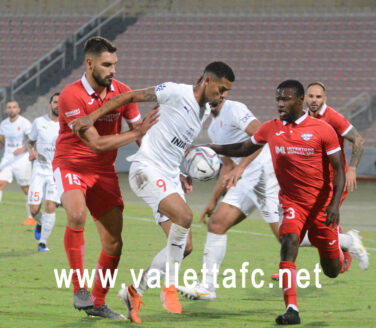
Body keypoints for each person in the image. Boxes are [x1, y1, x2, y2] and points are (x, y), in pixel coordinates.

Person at [71, 61, 235, 322]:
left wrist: (181, 173)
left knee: (185, 247)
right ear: (207, 81)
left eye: (227, 91)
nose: (223, 95)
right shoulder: (175, 91)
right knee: (185, 216)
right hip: (145, 169)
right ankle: (168, 286)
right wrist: (91, 117)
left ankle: (135, 291)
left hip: (168, 175)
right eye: (222, 89)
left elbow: (174, 142)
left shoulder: (202, 112)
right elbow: (129, 96)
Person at [200, 80, 349, 325]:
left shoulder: (322, 130)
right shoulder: (272, 128)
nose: (280, 103)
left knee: (331, 270)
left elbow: (339, 169)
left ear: (300, 100)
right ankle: (292, 309)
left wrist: (333, 205)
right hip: (292, 203)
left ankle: (344, 250)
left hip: (321, 206)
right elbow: (244, 147)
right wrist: (210, 147)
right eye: (278, 99)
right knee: (288, 242)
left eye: (286, 99)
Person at [52, 36, 158, 319]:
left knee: (114, 243)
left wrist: (165, 166)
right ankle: (80, 290)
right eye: (106, 64)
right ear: (90, 63)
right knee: (76, 215)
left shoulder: (122, 92)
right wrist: (137, 133)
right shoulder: (70, 95)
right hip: (71, 167)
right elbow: (97, 144)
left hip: (104, 173)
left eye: (115, 64)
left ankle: (98, 303)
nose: (113, 70)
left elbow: (142, 134)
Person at [177, 96, 280, 301]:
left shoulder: (235, 109)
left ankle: (342, 241)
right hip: (245, 179)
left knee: (286, 237)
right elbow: (227, 167)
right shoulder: (214, 128)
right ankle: (207, 287)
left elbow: (261, 137)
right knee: (216, 224)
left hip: (264, 174)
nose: (214, 98)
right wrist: (213, 200)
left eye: (220, 92)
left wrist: (241, 167)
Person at [297, 82, 368, 269]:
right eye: (311, 96)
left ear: (324, 99)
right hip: (312, 183)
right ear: (305, 98)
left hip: (333, 182)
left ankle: (349, 243)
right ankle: (346, 244)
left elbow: (359, 140)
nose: (314, 100)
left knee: (303, 230)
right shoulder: (301, 118)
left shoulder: (333, 117)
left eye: (318, 97)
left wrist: (352, 169)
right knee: (302, 228)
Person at [27, 93, 60, 252]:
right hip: (39, 169)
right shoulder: (39, 122)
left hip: (56, 172)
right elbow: (30, 141)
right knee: (34, 210)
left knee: (50, 205)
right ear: (50, 105)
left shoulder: (68, 125)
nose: (58, 105)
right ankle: (40, 223)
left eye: (61, 103)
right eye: (55, 102)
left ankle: (43, 243)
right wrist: (31, 151)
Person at [0, 101, 33, 224]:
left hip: (22, 159)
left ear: (18, 109)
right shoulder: (3, 124)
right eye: (9, 107)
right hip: (7, 158)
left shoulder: (24, 123)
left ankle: (31, 217)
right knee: (0, 183)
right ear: (6, 110)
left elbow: (32, 140)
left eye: (14, 107)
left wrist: (23, 149)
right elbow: (2, 142)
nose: (12, 109)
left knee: (25, 188)